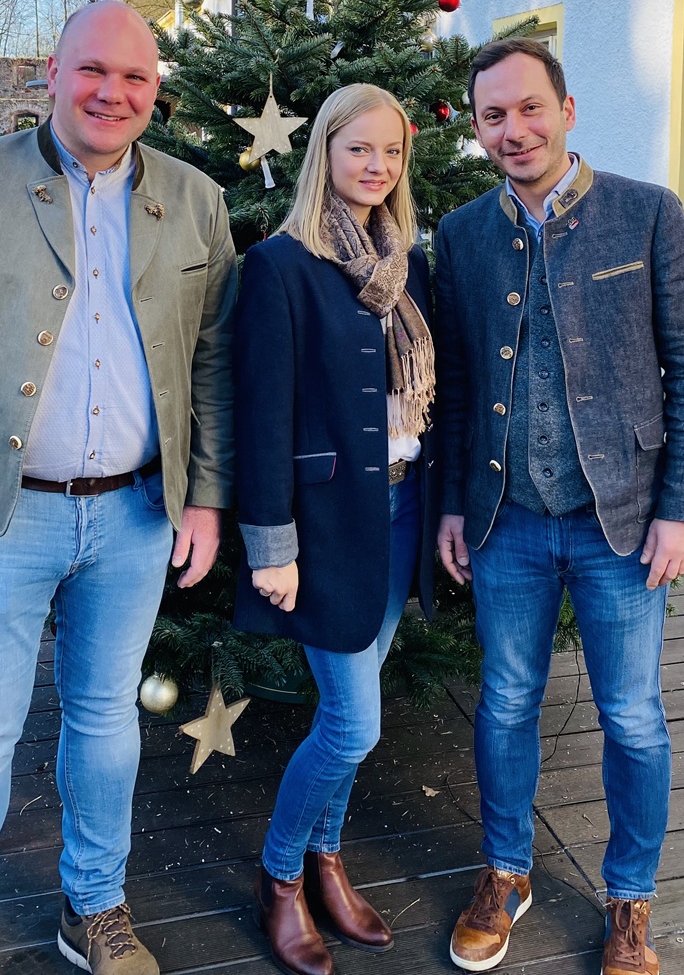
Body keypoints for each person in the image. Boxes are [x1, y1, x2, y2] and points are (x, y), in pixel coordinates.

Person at [0, 2, 236, 975]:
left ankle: (95, 907)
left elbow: (212, 364)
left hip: (131, 517)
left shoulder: (196, 201)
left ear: (156, 92)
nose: (112, 93)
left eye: (134, 78)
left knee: (107, 722)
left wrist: (203, 496)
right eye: (93, 71)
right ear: (52, 71)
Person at [435, 37, 684, 975]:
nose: (512, 130)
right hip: (505, 518)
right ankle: (505, 872)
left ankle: (629, 898)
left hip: (625, 523)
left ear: (566, 108)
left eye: (528, 108)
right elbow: (458, 384)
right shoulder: (464, 234)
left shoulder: (646, 216)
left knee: (631, 715)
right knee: (506, 701)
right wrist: (449, 507)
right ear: (475, 127)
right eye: (492, 116)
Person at [233, 84, 438, 975]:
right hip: (322, 528)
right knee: (353, 727)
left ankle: (327, 858)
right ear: (324, 150)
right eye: (360, 149)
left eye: (391, 153)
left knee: (350, 710)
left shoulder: (404, 262)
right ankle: (281, 876)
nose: (377, 167)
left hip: (400, 511)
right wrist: (270, 547)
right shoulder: (280, 263)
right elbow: (261, 417)